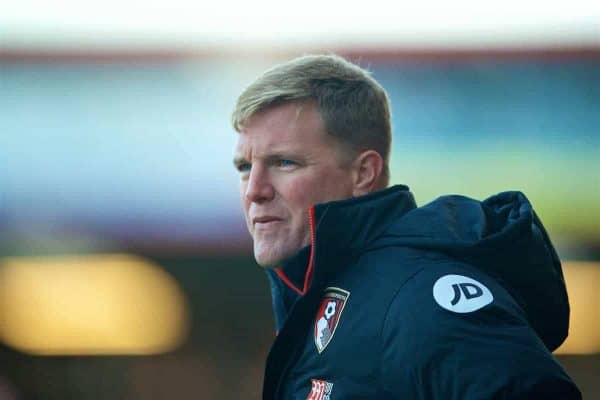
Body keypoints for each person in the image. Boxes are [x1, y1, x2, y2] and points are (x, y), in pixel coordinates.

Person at [231, 54, 581, 400]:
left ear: (363, 173)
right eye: (245, 167)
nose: (254, 190)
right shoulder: (330, 297)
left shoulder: (419, 299)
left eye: (284, 162)